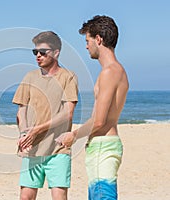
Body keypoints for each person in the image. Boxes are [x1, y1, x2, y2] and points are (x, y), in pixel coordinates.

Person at [56, 15, 129, 199]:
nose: (86, 46)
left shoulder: (109, 72)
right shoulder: (119, 71)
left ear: (99, 39)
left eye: (88, 40)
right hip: (107, 145)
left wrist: (73, 135)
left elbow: (99, 121)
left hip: (103, 147)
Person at [13, 31, 78, 200]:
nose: (38, 56)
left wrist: (38, 129)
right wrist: (24, 134)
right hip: (33, 149)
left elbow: (68, 113)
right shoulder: (29, 77)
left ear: (56, 53)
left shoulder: (68, 76)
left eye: (43, 52)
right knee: (25, 196)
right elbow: (22, 110)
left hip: (58, 149)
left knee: (59, 197)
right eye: (35, 52)